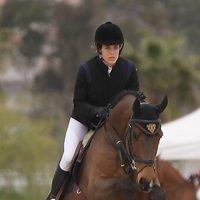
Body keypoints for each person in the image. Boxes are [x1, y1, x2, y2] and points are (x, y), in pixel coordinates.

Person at [46, 21, 144, 200]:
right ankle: (54, 196)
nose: (113, 52)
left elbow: (133, 101)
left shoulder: (129, 70)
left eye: (116, 47)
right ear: (100, 48)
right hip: (84, 120)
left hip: (115, 127)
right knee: (68, 156)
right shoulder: (87, 70)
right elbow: (79, 103)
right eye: (108, 48)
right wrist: (98, 112)